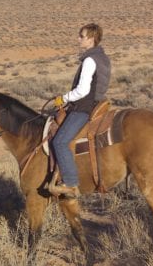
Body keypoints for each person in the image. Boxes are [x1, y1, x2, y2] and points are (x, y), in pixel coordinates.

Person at [42, 23, 111, 198]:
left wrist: (63, 98)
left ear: (91, 38)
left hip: (83, 107)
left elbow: (82, 90)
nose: (78, 39)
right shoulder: (102, 57)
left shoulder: (89, 60)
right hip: (95, 103)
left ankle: (71, 182)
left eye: (81, 36)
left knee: (59, 141)